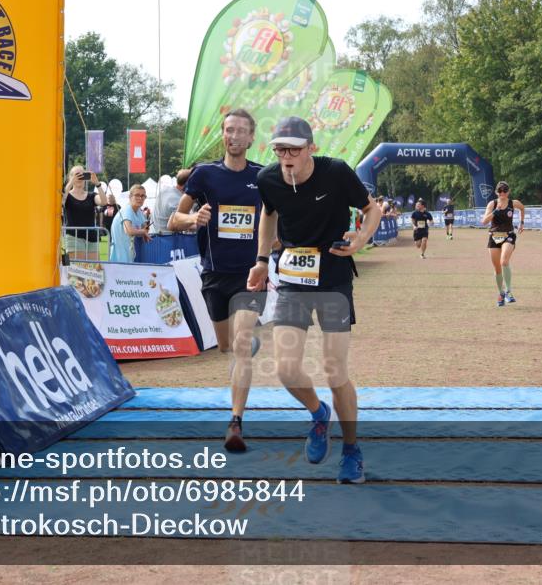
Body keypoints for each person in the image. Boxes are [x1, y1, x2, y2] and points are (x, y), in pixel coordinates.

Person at [247, 116, 381, 484]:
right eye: (280, 150)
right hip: (292, 280)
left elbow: (372, 210)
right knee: (286, 369)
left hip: (334, 279)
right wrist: (261, 261)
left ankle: (351, 450)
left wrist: (360, 240)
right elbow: (268, 213)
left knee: (335, 370)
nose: (286, 157)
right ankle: (319, 414)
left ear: (311, 148)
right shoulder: (268, 179)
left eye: (294, 149)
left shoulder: (336, 172)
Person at [169, 109, 265, 452]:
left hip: (251, 275)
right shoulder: (205, 175)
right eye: (229, 130)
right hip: (213, 275)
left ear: (252, 138)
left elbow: (279, 220)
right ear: (223, 135)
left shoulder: (263, 177)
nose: (234, 136)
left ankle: (235, 422)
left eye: (241, 131)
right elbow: (173, 220)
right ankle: (242, 345)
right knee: (226, 345)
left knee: (240, 346)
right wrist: (193, 217)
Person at [480, 181, 525, 307]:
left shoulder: (513, 203)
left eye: (505, 190)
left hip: (508, 235)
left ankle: (508, 291)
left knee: (504, 261)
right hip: (494, 237)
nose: (502, 193)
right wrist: (495, 211)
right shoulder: (492, 204)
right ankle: (501, 293)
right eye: (500, 190)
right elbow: (484, 221)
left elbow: (522, 207)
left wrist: (522, 222)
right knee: (497, 269)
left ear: (508, 191)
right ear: (496, 192)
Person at [63, 165, 106, 261]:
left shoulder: (91, 195)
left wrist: (97, 184)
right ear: (71, 177)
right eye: (76, 175)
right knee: (77, 271)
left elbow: (104, 202)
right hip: (74, 237)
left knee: (94, 270)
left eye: (82, 175)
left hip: (92, 237)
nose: (79, 178)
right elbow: (61, 201)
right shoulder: (68, 196)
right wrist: (70, 183)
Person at [109, 184, 150, 263]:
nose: (140, 198)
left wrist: (145, 230)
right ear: (130, 197)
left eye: (143, 196)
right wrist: (143, 232)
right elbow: (129, 231)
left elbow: (145, 227)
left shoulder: (138, 211)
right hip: (120, 256)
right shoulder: (127, 210)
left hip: (130, 253)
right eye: (137, 195)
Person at [155, 168, 193, 234]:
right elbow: (182, 225)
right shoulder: (177, 201)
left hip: (157, 236)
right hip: (169, 240)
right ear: (187, 184)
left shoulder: (164, 190)